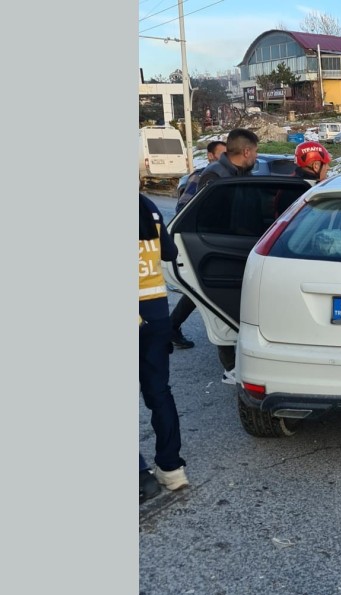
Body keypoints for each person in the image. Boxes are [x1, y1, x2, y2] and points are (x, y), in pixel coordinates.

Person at [140, 193, 189, 502]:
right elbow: (169, 252)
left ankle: (138, 477)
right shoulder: (147, 207)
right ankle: (171, 470)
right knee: (159, 392)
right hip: (156, 317)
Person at [169, 138, 227, 349]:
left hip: (211, 238)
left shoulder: (225, 174)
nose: (226, 159)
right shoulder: (202, 176)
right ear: (211, 156)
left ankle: (171, 327)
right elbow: (184, 209)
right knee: (198, 288)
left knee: (198, 289)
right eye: (222, 154)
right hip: (199, 239)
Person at [196, 128, 259, 192]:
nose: (257, 155)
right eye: (256, 151)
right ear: (246, 152)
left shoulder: (245, 172)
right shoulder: (213, 176)